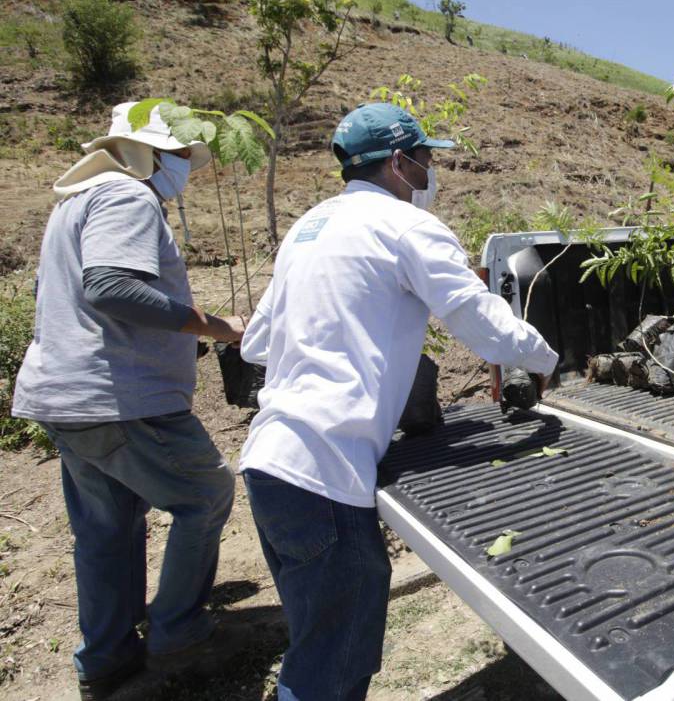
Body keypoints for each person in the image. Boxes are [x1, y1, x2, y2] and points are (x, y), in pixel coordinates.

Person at [237, 102, 558, 701]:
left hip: (267, 465)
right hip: (323, 477)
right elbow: (478, 318)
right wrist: (545, 359)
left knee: (315, 642)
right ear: (400, 162)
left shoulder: (308, 228)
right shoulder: (405, 227)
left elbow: (257, 342)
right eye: (427, 159)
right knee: (332, 668)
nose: (432, 171)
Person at [11, 103, 246, 700]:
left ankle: (107, 659)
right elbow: (113, 288)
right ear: (155, 155)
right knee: (206, 493)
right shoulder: (128, 197)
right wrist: (215, 327)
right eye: (182, 158)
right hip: (118, 399)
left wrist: (170, 339)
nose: (186, 169)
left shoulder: (80, 199)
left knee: (107, 529)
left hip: (67, 397)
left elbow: (74, 298)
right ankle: (177, 632)